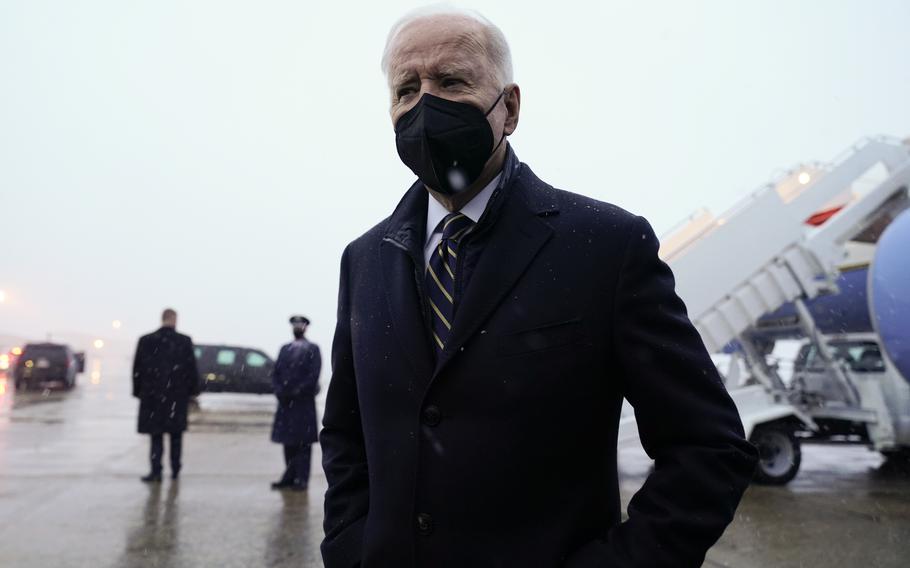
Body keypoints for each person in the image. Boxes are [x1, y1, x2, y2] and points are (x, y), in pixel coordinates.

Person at [320, 7, 759, 568]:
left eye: (452, 80)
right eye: (406, 89)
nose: (425, 104)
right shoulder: (364, 258)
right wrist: (351, 545)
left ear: (510, 107)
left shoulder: (605, 246)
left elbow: (708, 445)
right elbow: (346, 432)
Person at [132, 308, 199, 482]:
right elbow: (191, 369)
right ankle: (175, 469)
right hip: (177, 397)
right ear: (175, 320)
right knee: (176, 436)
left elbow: (137, 369)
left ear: (162, 319)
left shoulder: (146, 341)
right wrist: (192, 392)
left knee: (156, 436)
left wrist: (139, 392)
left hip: (153, 397)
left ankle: (156, 471)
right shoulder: (184, 341)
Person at [270, 315, 321, 491]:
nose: (297, 327)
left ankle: (302, 478)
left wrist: (297, 391)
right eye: (295, 325)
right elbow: (275, 373)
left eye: (301, 325)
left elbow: (313, 376)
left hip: (303, 404)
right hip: (285, 403)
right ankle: (289, 476)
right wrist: (279, 390)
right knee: (288, 442)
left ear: (305, 327)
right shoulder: (285, 349)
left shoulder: (313, 348)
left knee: (303, 443)